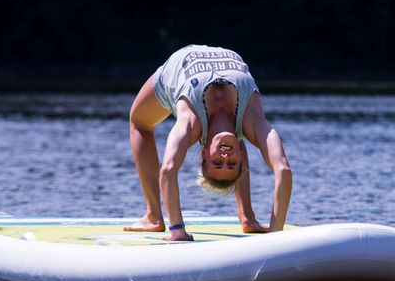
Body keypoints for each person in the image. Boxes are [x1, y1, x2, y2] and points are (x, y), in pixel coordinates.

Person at [124, 44, 292, 241]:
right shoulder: (252, 122)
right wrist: (275, 233)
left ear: (204, 153)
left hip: (180, 64)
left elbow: (168, 168)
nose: (225, 156)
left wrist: (177, 230)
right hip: (224, 54)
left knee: (139, 123)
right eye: (232, 163)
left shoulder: (190, 122)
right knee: (236, 133)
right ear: (240, 156)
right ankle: (247, 216)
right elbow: (283, 170)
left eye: (217, 163)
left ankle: (153, 216)